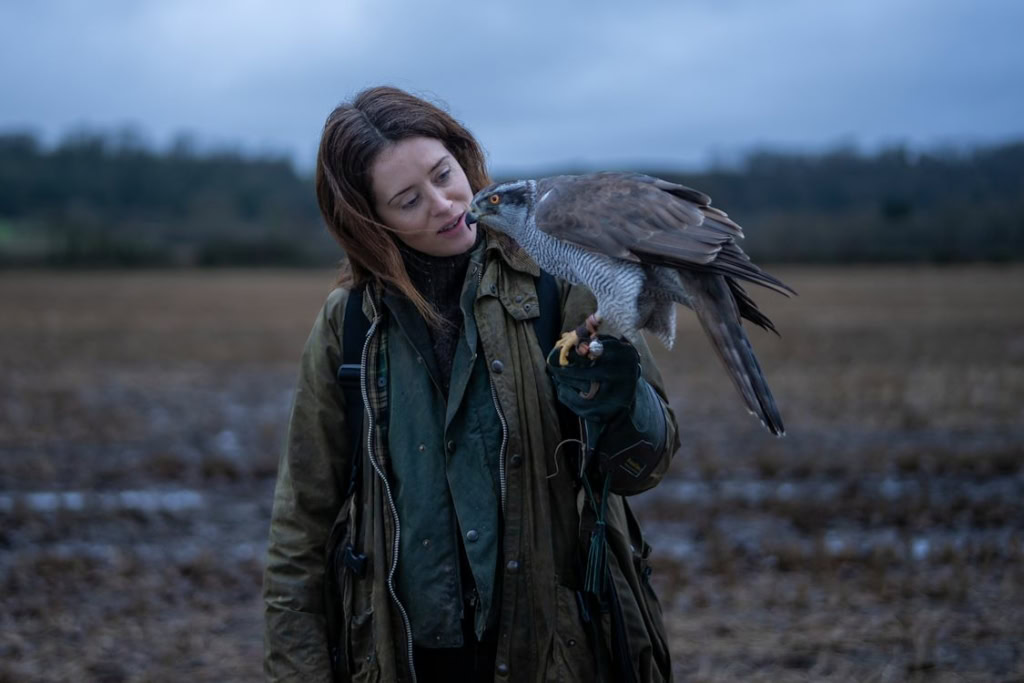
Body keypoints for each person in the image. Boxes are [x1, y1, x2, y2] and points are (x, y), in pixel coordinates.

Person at [262, 86, 681, 683]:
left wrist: (623, 402)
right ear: (370, 221)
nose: (443, 204)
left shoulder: (564, 277)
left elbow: (647, 466)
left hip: (561, 655)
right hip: (407, 660)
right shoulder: (349, 325)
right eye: (408, 200)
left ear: (463, 157)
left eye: (444, 174)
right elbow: (299, 531)